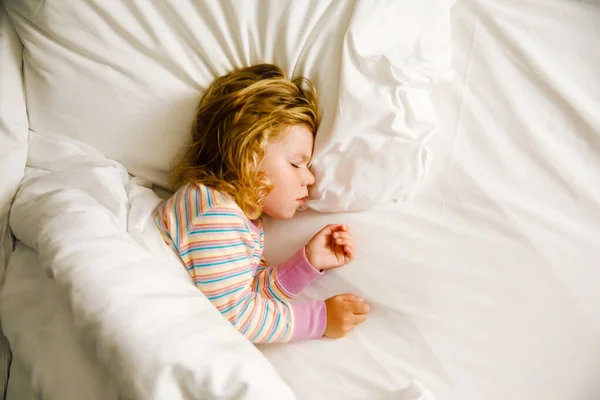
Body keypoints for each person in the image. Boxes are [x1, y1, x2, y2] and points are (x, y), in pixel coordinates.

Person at [155, 64, 369, 343]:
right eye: (296, 163)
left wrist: (308, 262)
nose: (308, 178)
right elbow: (236, 315)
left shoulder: (234, 216)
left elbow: (245, 295)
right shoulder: (215, 213)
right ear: (249, 155)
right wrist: (320, 320)